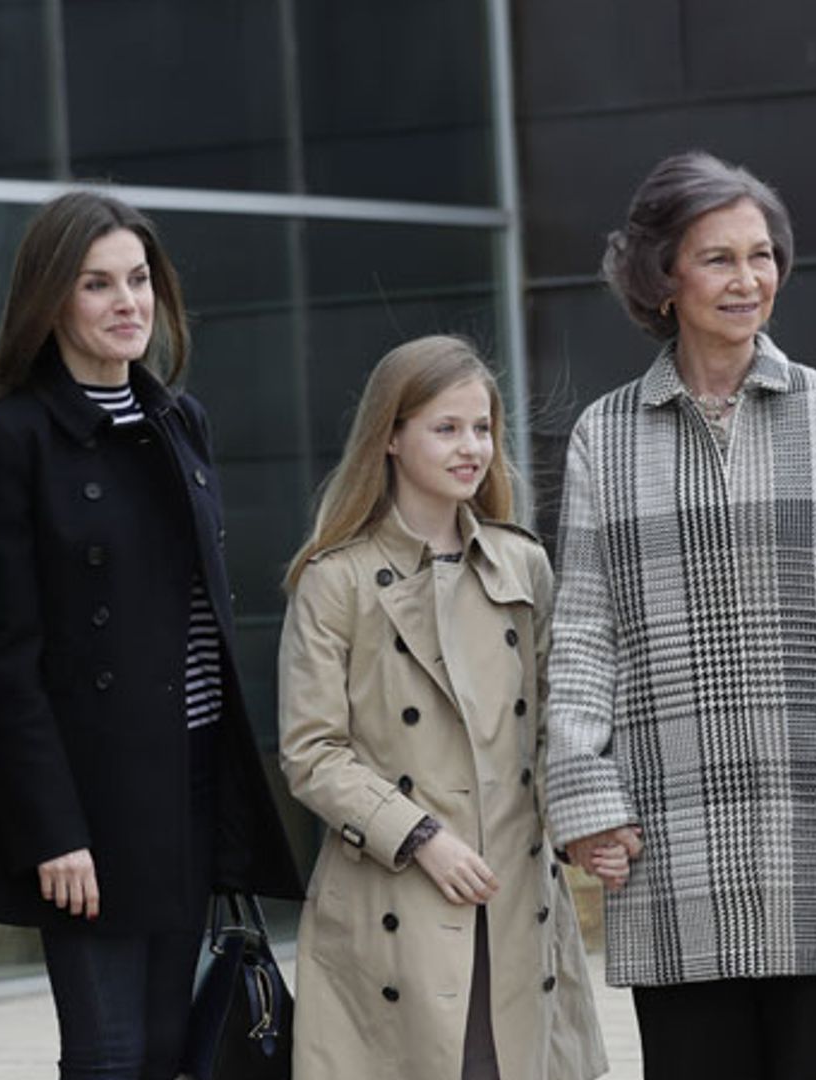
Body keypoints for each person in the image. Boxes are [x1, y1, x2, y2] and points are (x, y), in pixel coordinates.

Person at [543, 150, 816, 1079]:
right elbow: (584, 633)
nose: (748, 279)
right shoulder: (606, 434)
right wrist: (585, 795)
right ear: (661, 278)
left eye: (761, 256)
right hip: (668, 828)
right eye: (718, 258)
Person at [0, 191, 303, 1080]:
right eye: (97, 284)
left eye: (139, 280)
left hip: (186, 782)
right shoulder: (7, 440)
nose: (127, 303)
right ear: (51, 302)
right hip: (88, 800)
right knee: (109, 1055)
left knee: (169, 1051)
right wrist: (52, 830)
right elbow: (3, 660)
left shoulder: (179, 424)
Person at [277, 335, 608, 1080]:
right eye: (446, 428)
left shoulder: (523, 564)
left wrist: (587, 824)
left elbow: (563, 724)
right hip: (394, 896)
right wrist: (422, 836)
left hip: (516, 896)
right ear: (390, 437)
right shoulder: (337, 581)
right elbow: (311, 750)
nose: (472, 448)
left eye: (483, 427)